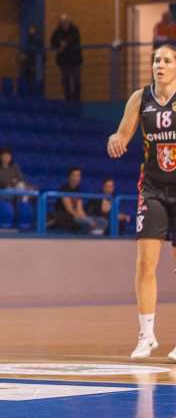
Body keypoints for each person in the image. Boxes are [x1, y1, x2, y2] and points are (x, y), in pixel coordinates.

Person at [108, 44, 176, 360]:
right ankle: (146, 335)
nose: (159, 65)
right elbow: (123, 134)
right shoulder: (140, 98)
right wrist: (116, 140)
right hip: (152, 189)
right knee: (145, 263)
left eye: (167, 60)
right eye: (156, 60)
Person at [51, 167, 99, 235]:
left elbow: (80, 209)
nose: (76, 178)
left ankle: (94, 232)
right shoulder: (64, 189)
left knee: (101, 221)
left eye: (78, 176)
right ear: (69, 177)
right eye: (74, 175)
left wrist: (86, 218)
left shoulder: (78, 190)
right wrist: (86, 220)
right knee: (87, 223)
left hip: (76, 216)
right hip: (65, 216)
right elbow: (69, 210)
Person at [51, 14, 83, 102]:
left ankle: (76, 98)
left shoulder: (74, 29)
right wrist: (60, 44)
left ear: (68, 21)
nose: (64, 23)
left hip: (75, 59)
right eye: (62, 22)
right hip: (64, 60)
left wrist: (65, 43)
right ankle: (68, 98)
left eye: (65, 21)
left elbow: (75, 39)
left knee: (76, 79)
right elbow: (52, 41)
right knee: (65, 80)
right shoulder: (57, 31)